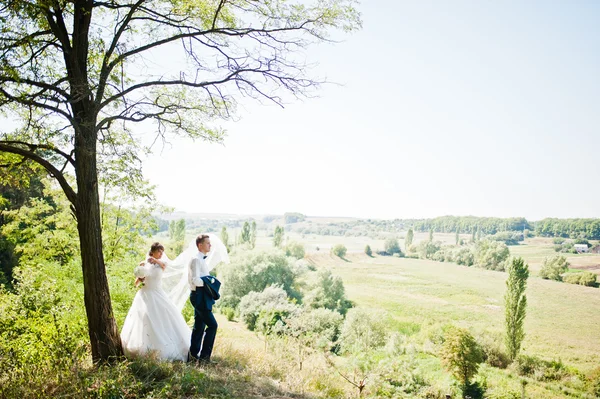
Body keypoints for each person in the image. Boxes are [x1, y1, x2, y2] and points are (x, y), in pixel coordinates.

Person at [120, 242, 191, 361]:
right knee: (143, 320)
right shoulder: (144, 265)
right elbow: (137, 283)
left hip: (158, 294)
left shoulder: (161, 264)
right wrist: (140, 273)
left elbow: (164, 266)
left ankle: (165, 348)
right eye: (159, 251)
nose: (161, 254)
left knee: (162, 319)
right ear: (153, 251)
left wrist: (155, 260)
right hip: (145, 294)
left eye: (162, 252)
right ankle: (143, 349)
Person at [188, 234, 221, 363]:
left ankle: (192, 357)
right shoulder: (196, 259)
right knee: (213, 325)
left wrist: (207, 280)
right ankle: (204, 358)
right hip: (198, 297)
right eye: (207, 243)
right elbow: (195, 280)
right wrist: (209, 281)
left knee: (199, 327)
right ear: (200, 245)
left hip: (201, 296)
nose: (210, 245)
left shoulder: (201, 260)